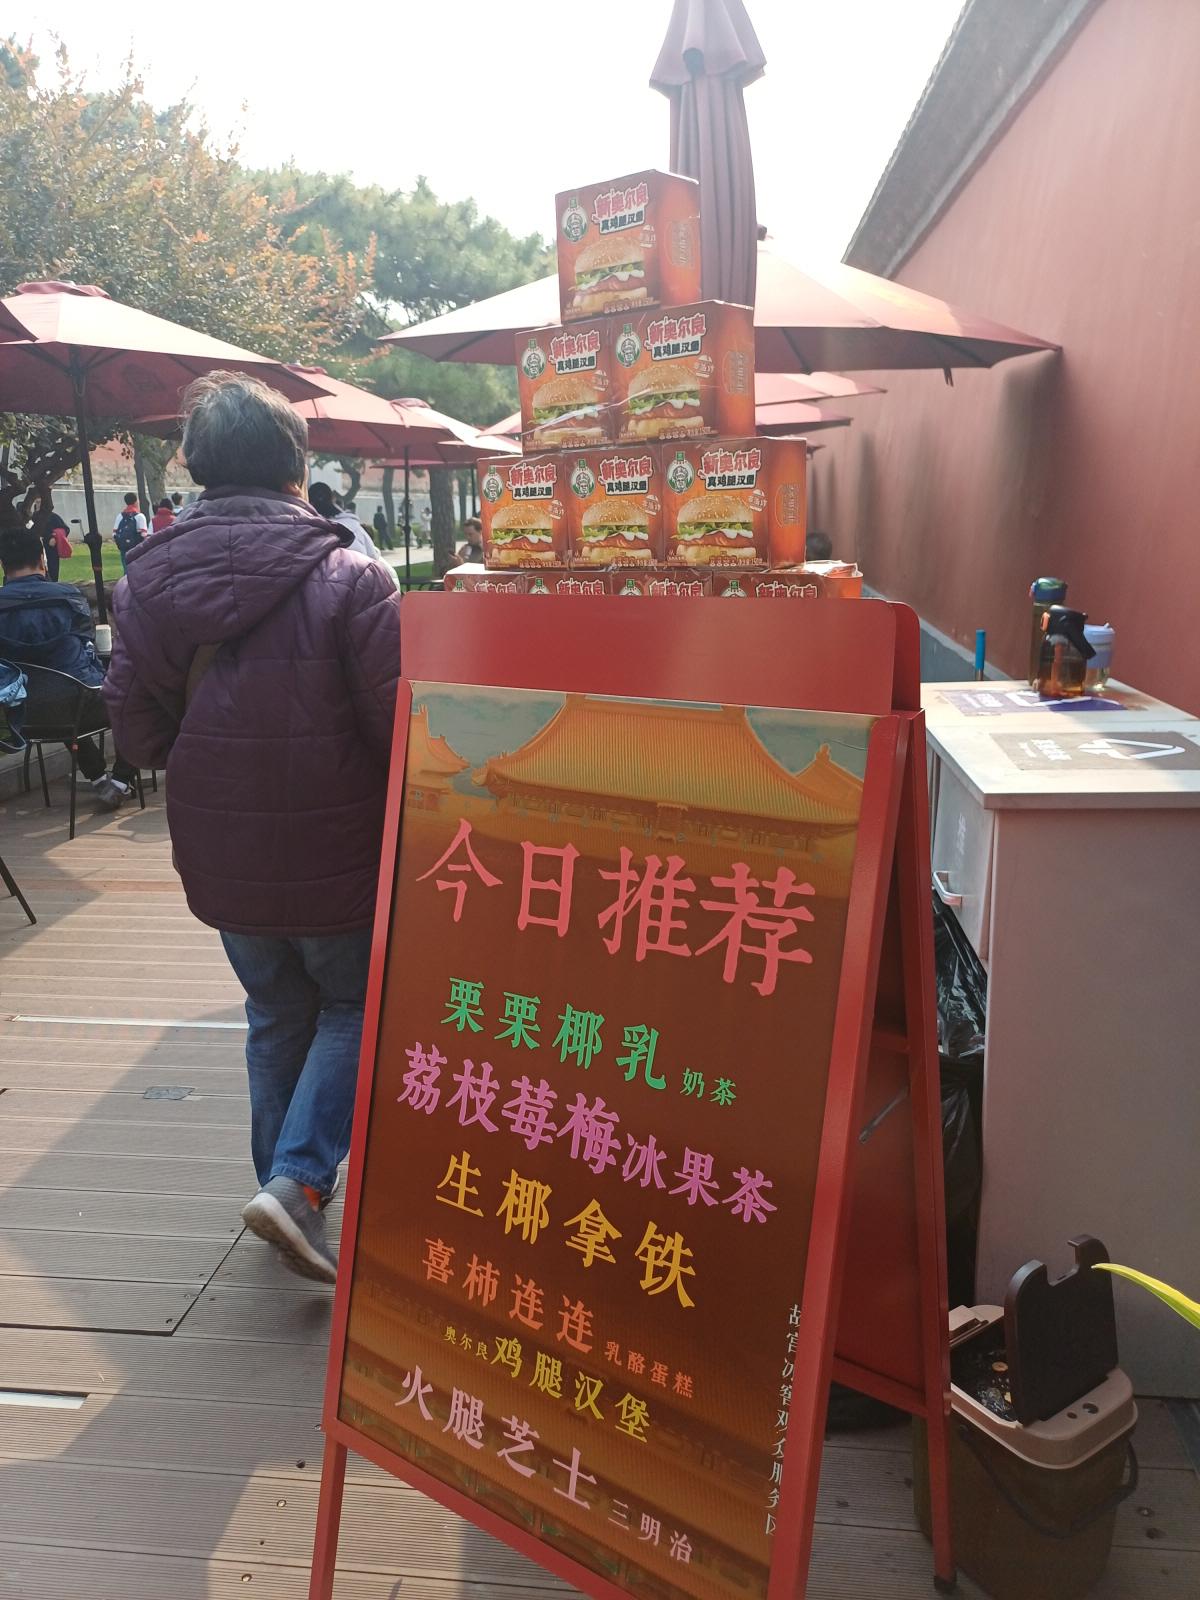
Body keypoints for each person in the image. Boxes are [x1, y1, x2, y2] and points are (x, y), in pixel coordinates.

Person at [104, 372, 401, 1284]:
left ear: (196, 465)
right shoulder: (353, 575)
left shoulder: (144, 580)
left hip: (221, 849)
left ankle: (284, 1192)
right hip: (341, 849)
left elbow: (137, 735)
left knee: (274, 1012)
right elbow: (397, 728)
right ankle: (298, 1185)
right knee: (356, 1005)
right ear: (294, 464)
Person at [0, 527, 138, 808]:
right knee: (137, 699)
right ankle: (120, 781)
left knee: (54, 690)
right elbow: (86, 649)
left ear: (3, 564)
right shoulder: (69, 597)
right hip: (75, 706)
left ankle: (99, 778)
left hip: (19, 715)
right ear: (42, 558)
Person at [308, 482, 400, 589]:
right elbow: (373, 556)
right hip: (362, 588)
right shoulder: (354, 526)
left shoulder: (310, 533)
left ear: (308, 501)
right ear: (333, 498)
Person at [112, 493, 147, 572]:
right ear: (136, 501)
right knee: (138, 570)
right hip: (137, 548)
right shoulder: (140, 516)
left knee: (126, 570)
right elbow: (144, 534)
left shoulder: (120, 516)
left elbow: (114, 534)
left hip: (124, 548)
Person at [43, 510, 71, 583]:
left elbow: (65, 529)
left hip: (51, 549)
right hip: (37, 549)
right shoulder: (33, 518)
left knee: (53, 570)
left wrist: (55, 537)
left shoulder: (53, 517)